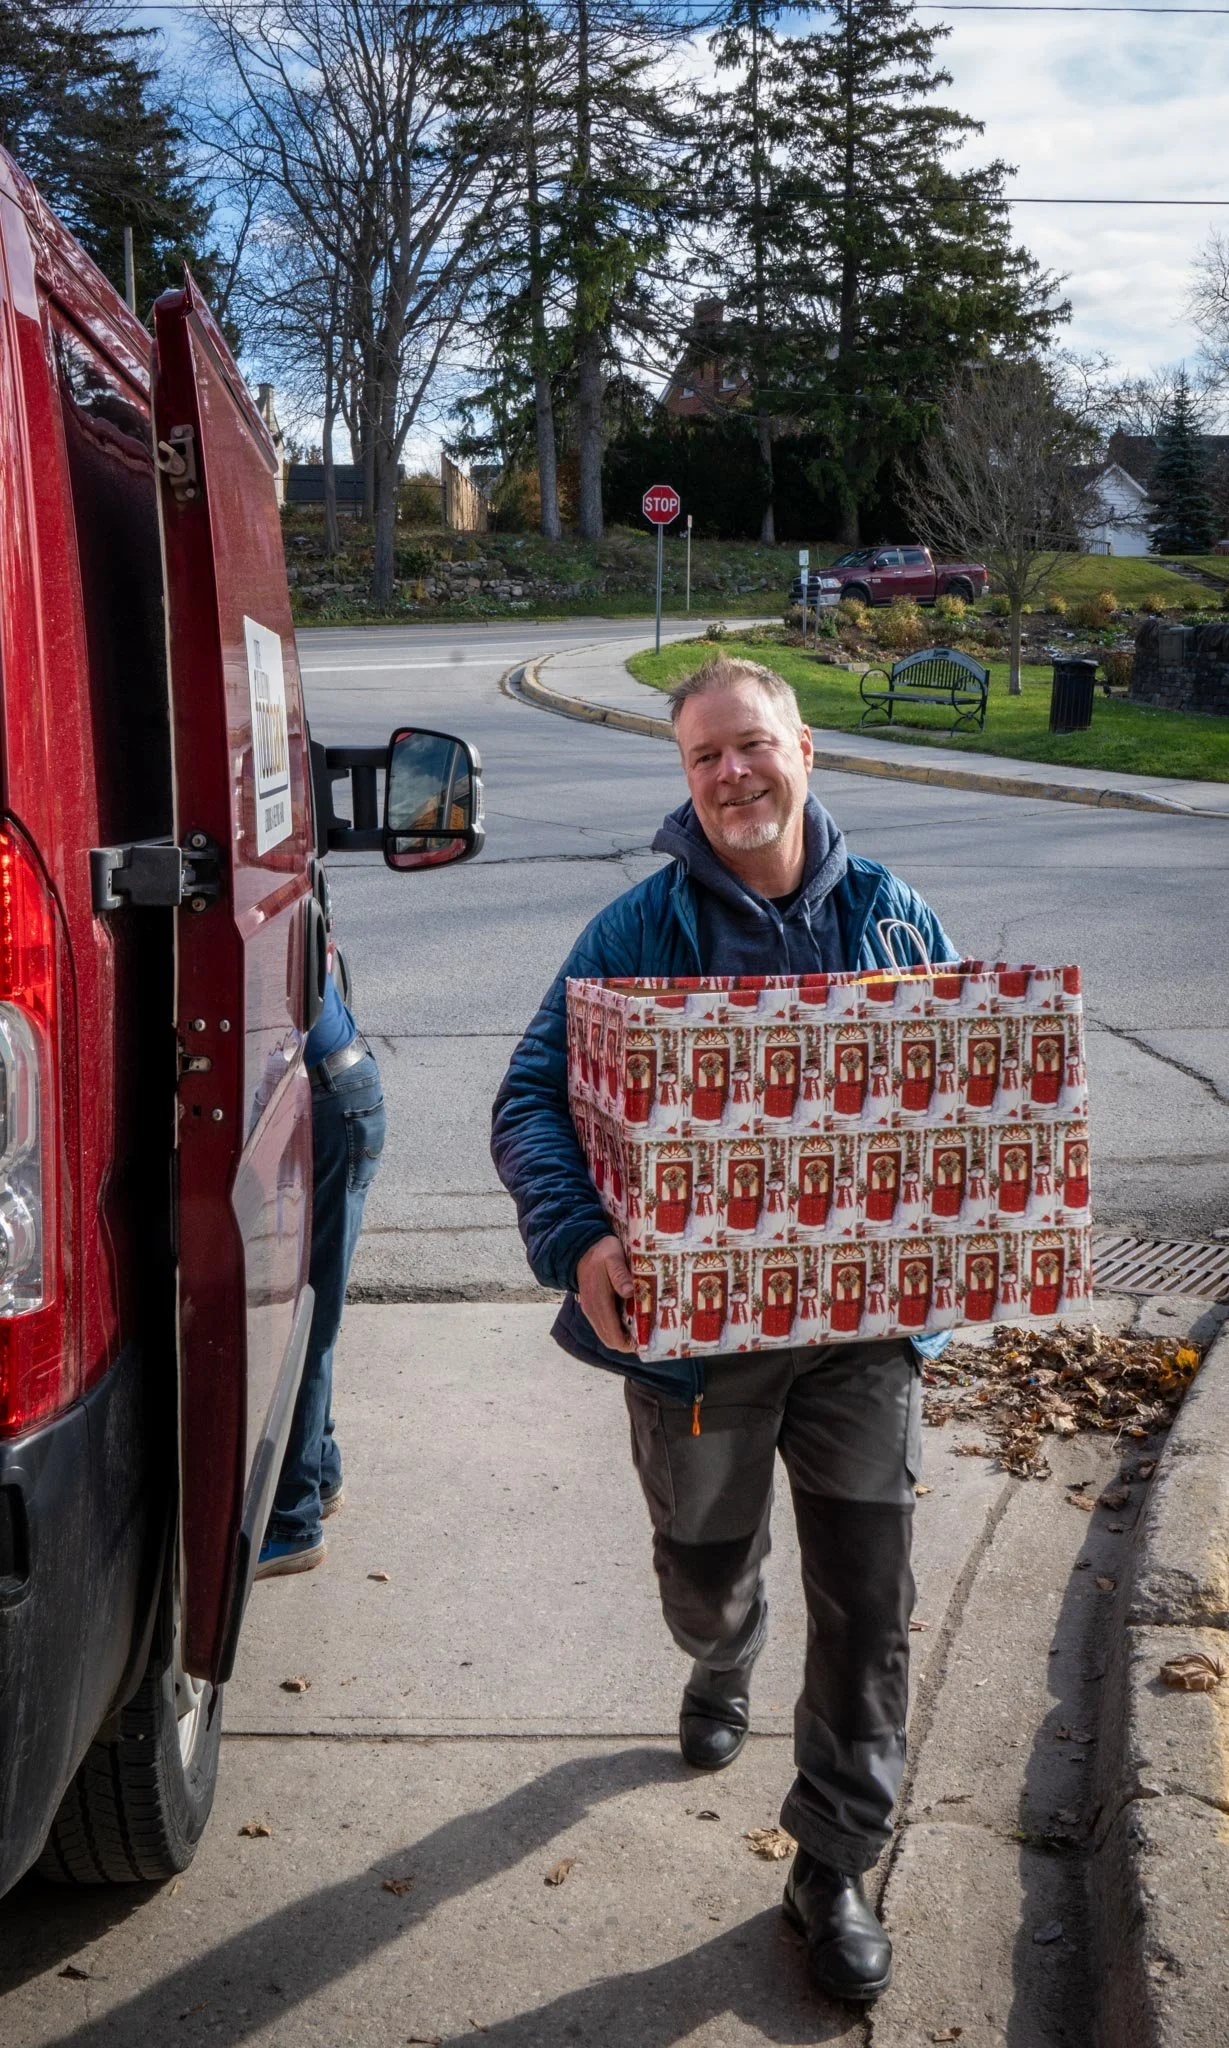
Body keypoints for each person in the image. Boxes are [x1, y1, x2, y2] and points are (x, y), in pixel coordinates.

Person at [491, 657, 959, 2007]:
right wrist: (576, 1239)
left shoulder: (892, 917)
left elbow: (954, 1099)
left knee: (870, 1601)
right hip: (694, 1342)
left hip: (862, 1338)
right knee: (704, 1567)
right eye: (704, 758)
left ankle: (832, 1862)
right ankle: (723, 1643)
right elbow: (530, 1093)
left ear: (803, 748)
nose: (732, 776)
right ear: (684, 778)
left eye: (750, 746)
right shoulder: (637, 929)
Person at [256, 973, 386, 1578]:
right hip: (341, 1087)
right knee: (314, 1308)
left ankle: (291, 1520)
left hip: (329, 1101)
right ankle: (321, 1469)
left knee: (303, 1319)